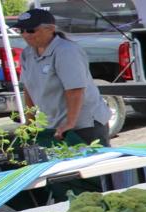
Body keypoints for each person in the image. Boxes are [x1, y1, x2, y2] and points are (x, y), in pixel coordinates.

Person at [12, 8, 112, 148]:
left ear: (50, 29)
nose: (25, 35)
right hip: (57, 125)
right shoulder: (27, 54)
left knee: (92, 167)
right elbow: (29, 89)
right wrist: (30, 122)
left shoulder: (66, 51)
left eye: (30, 30)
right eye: (20, 30)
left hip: (85, 124)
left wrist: (70, 123)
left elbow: (75, 90)